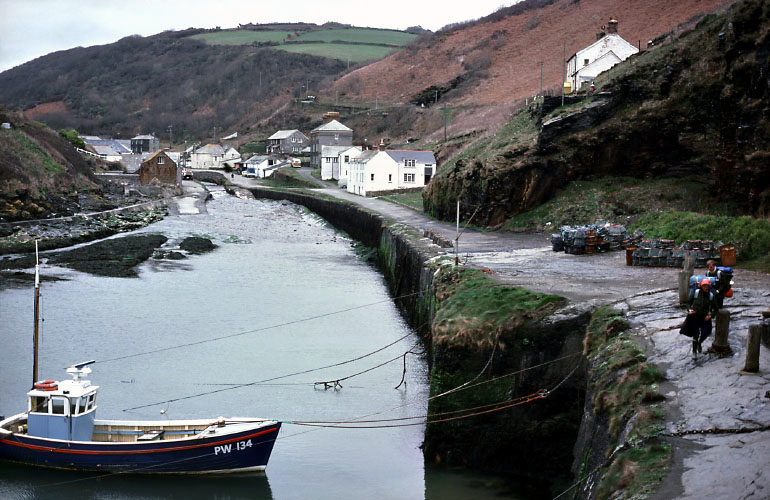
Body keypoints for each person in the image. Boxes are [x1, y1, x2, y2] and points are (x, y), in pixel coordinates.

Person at [687, 278, 716, 359]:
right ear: (701, 286)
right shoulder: (696, 293)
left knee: (706, 332)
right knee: (695, 335)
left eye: (707, 286)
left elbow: (716, 308)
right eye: (704, 286)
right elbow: (688, 303)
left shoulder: (711, 296)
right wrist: (689, 310)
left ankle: (700, 343)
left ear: (709, 286)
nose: (705, 288)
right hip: (695, 316)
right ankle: (694, 352)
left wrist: (711, 316)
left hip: (705, 317)